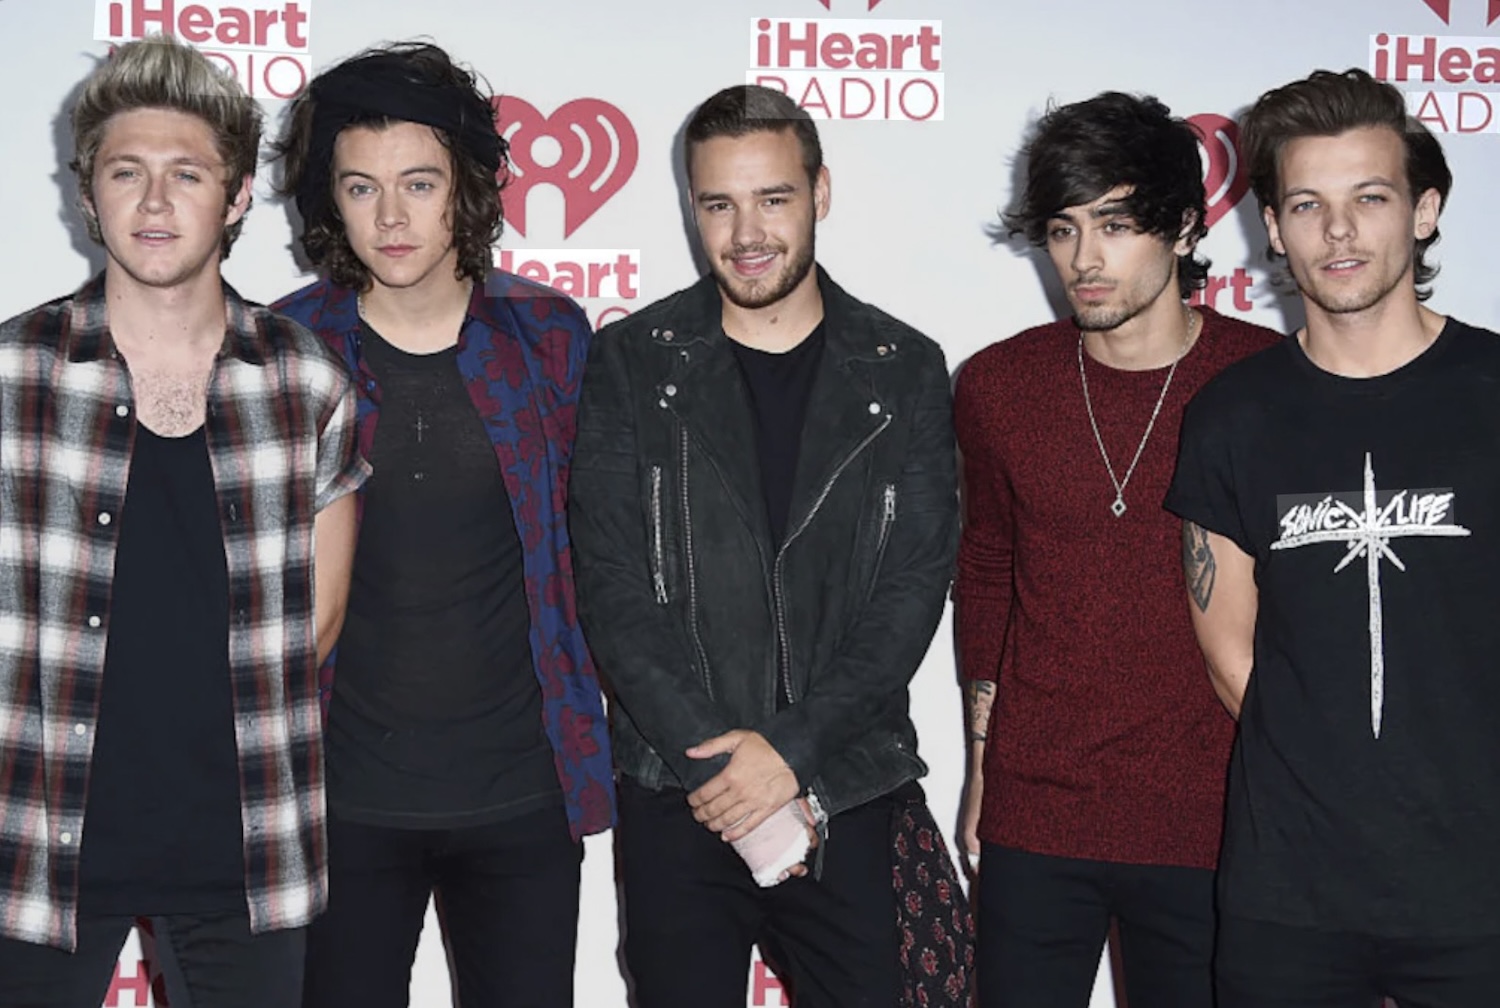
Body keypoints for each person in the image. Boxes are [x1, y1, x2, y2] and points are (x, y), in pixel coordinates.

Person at [569, 84, 961, 1007]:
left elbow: (911, 590)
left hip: (847, 782)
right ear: (691, 207)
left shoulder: (904, 368)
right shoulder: (633, 362)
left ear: (820, 192)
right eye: (719, 204)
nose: (746, 233)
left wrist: (791, 753)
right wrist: (725, 769)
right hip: (681, 790)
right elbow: (612, 585)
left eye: (773, 199)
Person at [0, 36, 367, 1008]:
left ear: (237, 196)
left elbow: (317, 623)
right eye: (126, 172)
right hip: (40, 842)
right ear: (89, 196)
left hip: (247, 852)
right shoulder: (12, 374)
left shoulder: (307, 382)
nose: (155, 202)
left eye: (187, 174)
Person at [269, 41, 613, 1008]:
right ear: (329, 201)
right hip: (338, 797)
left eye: (418, 183)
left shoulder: (550, 339)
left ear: (466, 185)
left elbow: (606, 555)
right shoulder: (287, 347)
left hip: (523, 793)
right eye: (361, 187)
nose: (391, 217)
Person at [1167, 67, 1500, 1008]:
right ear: (1273, 228)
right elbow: (1231, 656)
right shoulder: (1231, 416)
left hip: (1481, 889)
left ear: (1425, 211)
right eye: (1308, 205)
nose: (1339, 231)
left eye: (1371, 198)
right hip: (1290, 895)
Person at [953, 91, 1281, 1008]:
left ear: (1184, 227)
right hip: (1036, 814)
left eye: (1116, 224)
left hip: (1212, 816)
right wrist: (982, 767)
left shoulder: (1264, 383)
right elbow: (988, 571)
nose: (1084, 260)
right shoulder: (997, 385)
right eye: (1063, 230)